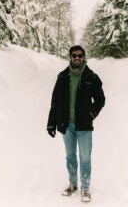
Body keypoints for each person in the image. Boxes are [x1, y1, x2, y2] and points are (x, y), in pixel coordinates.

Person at [47, 45, 105, 202]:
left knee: (85, 157)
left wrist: (91, 114)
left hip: (84, 126)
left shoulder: (91, 77)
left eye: (80, 55)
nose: (77, 58)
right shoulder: (63, 77)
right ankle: (73, 185)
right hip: (67, 125)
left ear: (84, 57)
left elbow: (100, 99)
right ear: (70, 57)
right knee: (70, 156)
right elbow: (55, 102)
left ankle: (85, 189)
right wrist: (51, 123)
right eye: (74, 55)